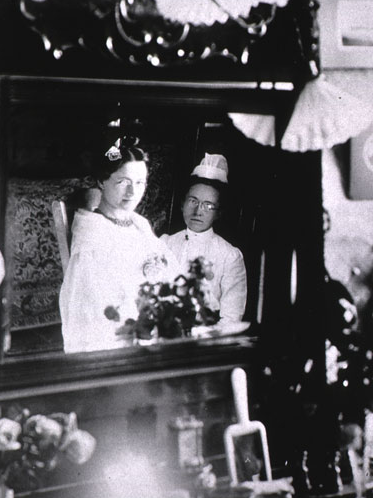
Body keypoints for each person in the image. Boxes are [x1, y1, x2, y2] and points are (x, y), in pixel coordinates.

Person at [58, 138, 176, 353]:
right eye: (123, 182)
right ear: (102, 181)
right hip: (118, 338)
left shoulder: (140, 224)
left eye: (140, 183)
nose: (132, 192)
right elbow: (93, 307)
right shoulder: (92, 235)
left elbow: (171, 272)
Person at [161, 153, 248, 324]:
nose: (198, 211)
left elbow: (231, 317)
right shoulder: (165, 243)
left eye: (208, 206)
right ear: (182, 204)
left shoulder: (229, 256)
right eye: (193, 201)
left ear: (218, 213)